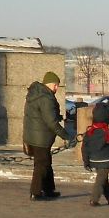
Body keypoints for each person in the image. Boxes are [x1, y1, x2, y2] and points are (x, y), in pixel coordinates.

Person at [23, 70, 69, 200]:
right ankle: (35, 192)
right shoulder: (46, 98)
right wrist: (67, 136)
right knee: (41, 164)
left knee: (46, 162)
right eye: (55, 85)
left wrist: (56, 116)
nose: (57, 88)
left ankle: (49, 189)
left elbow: (42, 114)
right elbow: (51, 122)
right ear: (49, 84)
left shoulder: (38, 94)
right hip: (41, 138)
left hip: (35, 135)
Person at [82, 102, 109, 206]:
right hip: (105, 159)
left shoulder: (89, 133)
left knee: (103, 178)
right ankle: (94, 199)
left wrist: (86, 161)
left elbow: (84, 148)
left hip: (93, 160)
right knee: (100, 180)